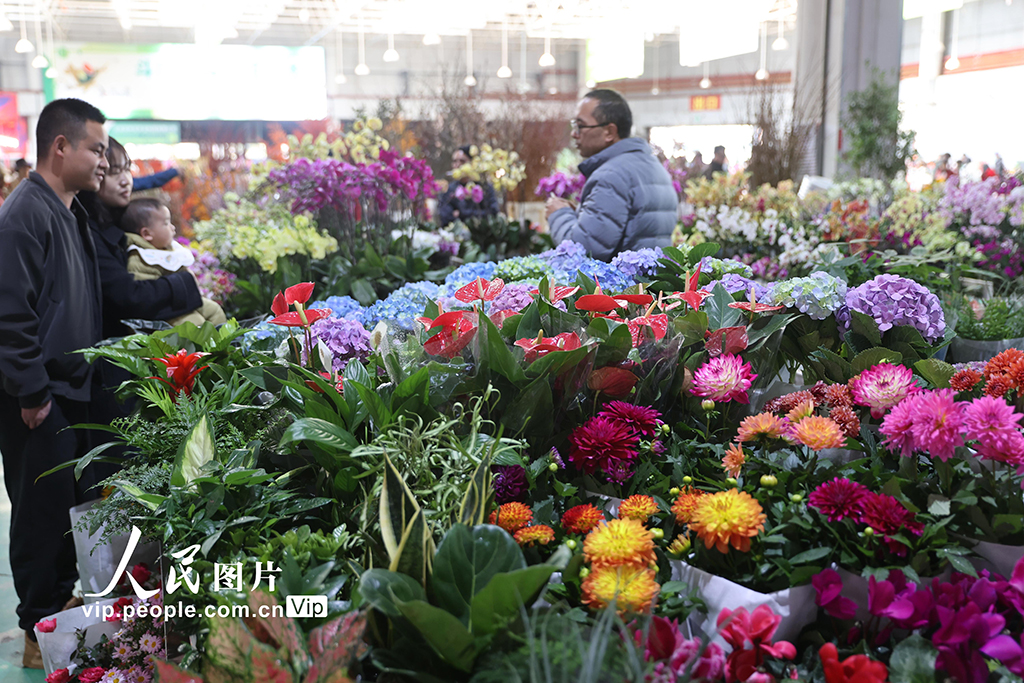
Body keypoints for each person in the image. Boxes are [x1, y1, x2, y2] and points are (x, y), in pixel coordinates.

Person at [0, 98, 109, 669]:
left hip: (71, 388)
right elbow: (10, 311)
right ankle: (36, 633)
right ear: (60, 147)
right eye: (95, 148)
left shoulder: (70, 210)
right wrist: (33, 394)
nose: (103, 161)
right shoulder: (26, 212)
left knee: (70, 513)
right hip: (40, 396)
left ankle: (58, 619)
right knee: (41, 518)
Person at [78, 137, 202, 340]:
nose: (126, 180)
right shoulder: (91, 232)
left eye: (127, 169)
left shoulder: (119, 218)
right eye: (113, 172)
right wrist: (185, 282)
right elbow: (128, 297)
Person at [545, 89, 676, 261]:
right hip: (650, 283)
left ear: (609, 132)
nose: (574, 134)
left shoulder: (611, 176)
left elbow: (584, 250)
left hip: (622, 287)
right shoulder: (653, 166)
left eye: (580, 126)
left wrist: (559, 214)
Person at [120, 197, 226, 327]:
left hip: (181, 302)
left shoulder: (167, 249)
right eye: (166, 223)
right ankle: (201, 346)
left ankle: (221, 344)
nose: (173, 228)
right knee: (195, 323)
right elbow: (147, 296)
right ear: (147, 233)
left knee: (214, 310)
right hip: (162, 312)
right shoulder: (140, 257)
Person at [436, 145, 501, 226]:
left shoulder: (484, 188)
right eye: (455, 161)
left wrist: (461, 213)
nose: (458, 165)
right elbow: (444, 216)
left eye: (462, 161)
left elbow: (492, 213)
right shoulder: (450, 189)